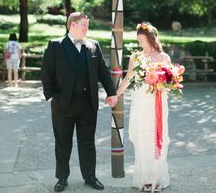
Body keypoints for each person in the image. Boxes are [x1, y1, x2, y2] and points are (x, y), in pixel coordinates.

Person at [41, 12, 117, 192]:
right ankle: (61, 177)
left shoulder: (93, 45)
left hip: (88, 105)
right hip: (63, 105)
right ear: (72, 25)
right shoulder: (55, 46)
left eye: (87, 25)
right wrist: (51, 96)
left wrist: (111, 93)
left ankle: (90, 176)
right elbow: (46, 73)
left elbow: (103, 73)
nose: (87, 28)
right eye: (84, 24)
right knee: (63, 143)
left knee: (87, 142)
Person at [116, 22, 171, 192]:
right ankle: (145, 178)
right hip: (140, 104)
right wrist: (115, 95)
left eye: (142, 40)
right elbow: (127, 79)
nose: (140, 44)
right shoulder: (136, 58)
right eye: (138, 41)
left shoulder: (164, 58)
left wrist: (163, 84)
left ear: (151, 38)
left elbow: (169, 84)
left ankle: (158, 178)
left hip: (157, 104)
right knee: (142, 139)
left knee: (157, 138)